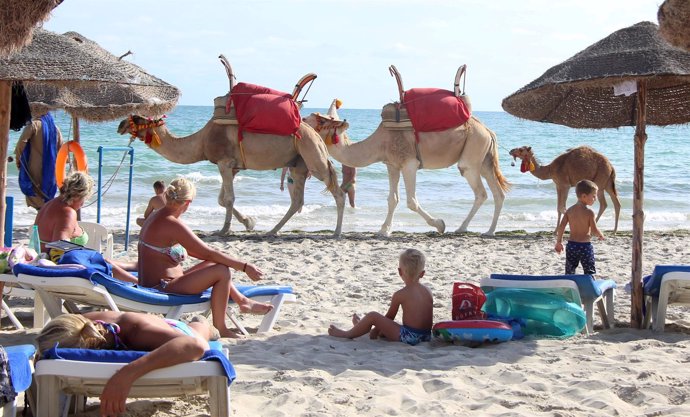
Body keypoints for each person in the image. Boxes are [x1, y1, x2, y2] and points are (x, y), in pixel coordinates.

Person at [138, 177, 273, 338]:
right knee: (222, 271)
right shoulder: (172, 223)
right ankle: (221, 327)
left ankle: (242, 301)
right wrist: (244, 266)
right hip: (161, 288)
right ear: (187, 203)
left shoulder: (156, 216)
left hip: (158, 283)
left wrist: (238, 264)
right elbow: (207, 252)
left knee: (217, 262)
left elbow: (204, 253)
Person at [35, 311, 218, 416]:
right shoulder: (77, 324)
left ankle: (202, 323)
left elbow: (196, 346)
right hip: (155, 325)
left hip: (177, 330)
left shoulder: (135, 332)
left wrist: (126, 374)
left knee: (199, 331)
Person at [34, 171, 138, 283]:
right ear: (78, 195)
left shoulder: (49, 204)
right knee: (104, 264)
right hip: (59, 264)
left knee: (103, 260)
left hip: (42, 256)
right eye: (84, 199)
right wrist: (85, 252)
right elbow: (59, 245)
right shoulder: (67, 212)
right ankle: (140, 283)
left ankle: (133, 266)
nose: (83, 204)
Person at [328, 248, 433, 345]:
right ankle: (362, 327)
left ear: (400, 272)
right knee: (386, 328)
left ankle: (347, 334)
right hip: (427, 336)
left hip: (410, 337)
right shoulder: (427, 291)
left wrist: (375, 331)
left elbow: (389, 317)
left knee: (373, 316)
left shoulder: (400, 294)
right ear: (422, 273)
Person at [13, 112, 63, 210]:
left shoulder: (33, 125)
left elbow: (21, 144)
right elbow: (61, 149)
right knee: (46, 199)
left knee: (36, 198)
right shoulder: (55, 128)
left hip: (34, 167)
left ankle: (37, 225)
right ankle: (43, 223)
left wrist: (19, 160)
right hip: (51, 168)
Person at [555, 179, 605, 275]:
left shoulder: (569, 211)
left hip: (571, 246)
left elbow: (561, 227)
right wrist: (600, 234)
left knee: (570, 270)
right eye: (594, 196)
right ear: (584, 196)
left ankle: (569, 285)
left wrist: (559, 242)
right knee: (589, 270)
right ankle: (589, 287)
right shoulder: (589, 212)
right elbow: (594, 230)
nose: (595, 199)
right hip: (585, 246)